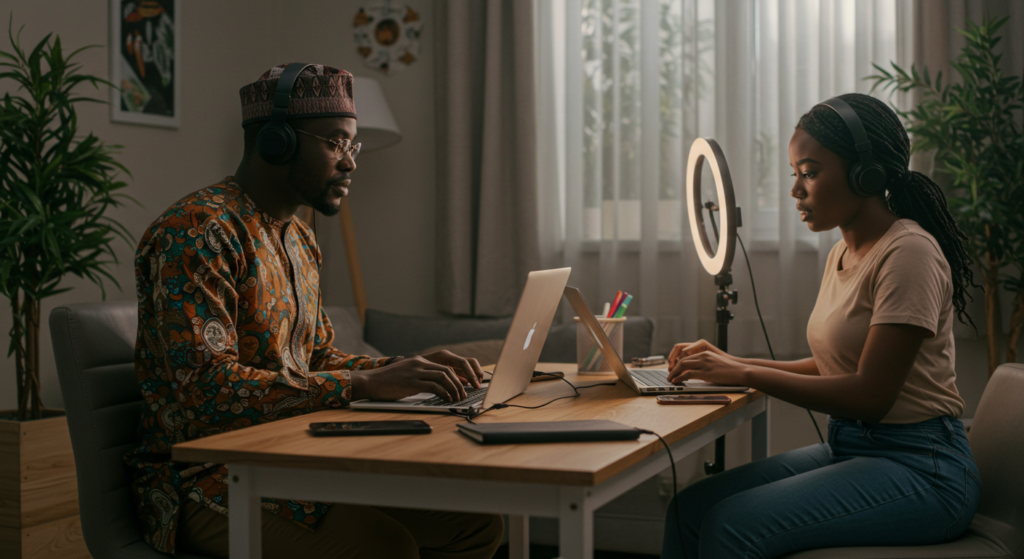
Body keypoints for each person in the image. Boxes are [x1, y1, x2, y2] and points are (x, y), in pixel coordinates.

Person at [127, 64, 503, 559]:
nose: (350, 163)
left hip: (291, 455)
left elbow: (319, 357)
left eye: (353, 146)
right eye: (335, 143)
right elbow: (207, 392)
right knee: (384, 548)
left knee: (475, 525)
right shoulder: (199, 230)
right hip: (201, 480)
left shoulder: (301, 238)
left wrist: (405, 369)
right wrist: (363, 385)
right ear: (275, 142)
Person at [660, 93, 981, 558]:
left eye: (809, 173)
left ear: (864, 174)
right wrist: (730, 362)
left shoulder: (909, 253)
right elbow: (838, 365)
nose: (795, 190)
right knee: (689, 510)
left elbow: (871, 394)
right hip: (854, 449)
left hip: (923, 468)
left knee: (733, 525)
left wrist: (749, 375)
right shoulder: (843, 254)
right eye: (795, 175)